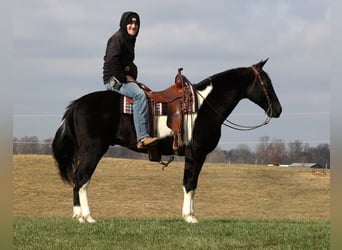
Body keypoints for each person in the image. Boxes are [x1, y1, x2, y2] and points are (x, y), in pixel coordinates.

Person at [103, 11, 159, 149]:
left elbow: (126, 63)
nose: (133, 26)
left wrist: (131, 73)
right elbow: (112, 61)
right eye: (130, 23)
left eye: (136, 23)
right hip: (114, 80)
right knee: (139, 95)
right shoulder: (117, 38)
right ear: (124, 24)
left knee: (145, 92)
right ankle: (143, 137)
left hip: (122, 78)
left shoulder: (129, 40)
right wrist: (125, 78)